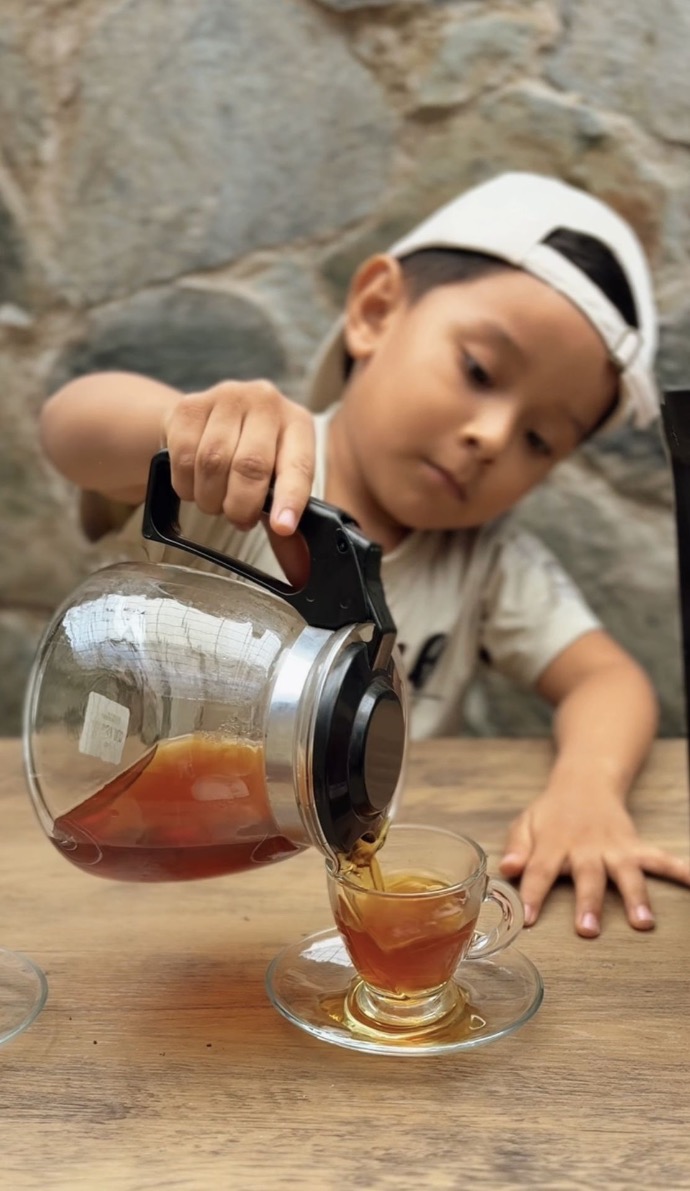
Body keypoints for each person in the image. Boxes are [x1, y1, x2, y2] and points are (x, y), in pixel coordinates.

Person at [40, 171, 690, 937]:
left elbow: (609, 680)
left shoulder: (488, 562)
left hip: (325, 898)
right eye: (479, 371)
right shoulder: (242, 478)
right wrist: (186, 427)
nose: (491, 437)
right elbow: (71, 429)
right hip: (165, 889)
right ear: (376, 311)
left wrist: (587, 790)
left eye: (539, 439)